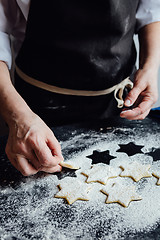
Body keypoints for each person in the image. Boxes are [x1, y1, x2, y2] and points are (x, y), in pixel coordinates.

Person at [0, 0, 160, 176]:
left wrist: (149, 68)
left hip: (121, 100)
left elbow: (152, 11)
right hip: (37, 108)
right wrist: (17, 116)